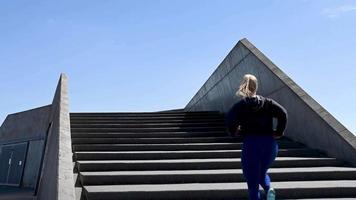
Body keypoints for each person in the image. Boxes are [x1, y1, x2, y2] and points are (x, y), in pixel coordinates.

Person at [226, 74, 287, 200]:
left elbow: (229, 120)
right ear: (256, 87)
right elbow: (283, 113)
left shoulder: (240, 106)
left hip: (251, 144)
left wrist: (234, 131)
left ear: (243, 86)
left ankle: (263, 192)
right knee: (261, 173)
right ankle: (269, 189)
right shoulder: (268, 103)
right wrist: (279, 132)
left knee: (252, 180)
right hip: (270, 145)